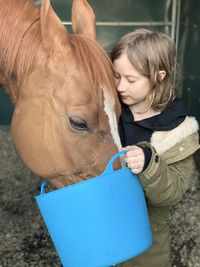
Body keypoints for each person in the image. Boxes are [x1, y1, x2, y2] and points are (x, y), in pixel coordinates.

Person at [110, 28, 200, 267]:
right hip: (109, 217)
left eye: (130, 79)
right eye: (116, 76)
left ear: (160, 75)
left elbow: (172, 193)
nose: (120, 86)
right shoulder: (113, 108)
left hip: (148, 232)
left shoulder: (176, 131)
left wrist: (149, 162)